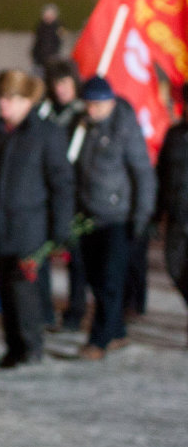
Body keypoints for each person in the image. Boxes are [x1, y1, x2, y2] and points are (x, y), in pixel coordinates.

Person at [0, 71, 74, 367]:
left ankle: (30, 346)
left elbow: (61, 183)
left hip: (31, 227)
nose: (4, 105)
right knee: (3, 287)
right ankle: (13, 345)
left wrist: (60, 228)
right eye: (1, 98)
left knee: (23, 288)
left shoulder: (46, 133)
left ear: (27, 101)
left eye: (12, 99)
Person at [71, 76, 155, 360]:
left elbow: (143, 173)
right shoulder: (82, 127)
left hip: (118, 218)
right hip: (87, 215)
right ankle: (117, 331)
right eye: (88, 104)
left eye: (96, 104)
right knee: (95, 278)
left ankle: (99, 340)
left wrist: (141, 217)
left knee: (109, 280)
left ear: (109, 102)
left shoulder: (124, 128)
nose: (91, 110)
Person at [39, 59, 88, 331]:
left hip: (75, 198)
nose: (61, 90)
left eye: (66, 83)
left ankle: (76, 310)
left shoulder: (82, 117)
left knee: (76, 260)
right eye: (56, 84)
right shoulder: (44, 115)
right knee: (42, 257)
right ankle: (44, 310)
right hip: (46, 195)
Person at [155, 83, 188, 345]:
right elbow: (161, 175)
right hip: (177, 217)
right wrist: (155, 215)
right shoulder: (175, 135)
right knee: (175, 268)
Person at [30, 3, 64, 76]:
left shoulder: (57, 28)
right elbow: (37, 42)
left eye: (50, 14)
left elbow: (57, 44)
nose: (47, 16)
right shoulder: (40, 26)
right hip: (39, 60)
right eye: (46, 14)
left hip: (51, 60)